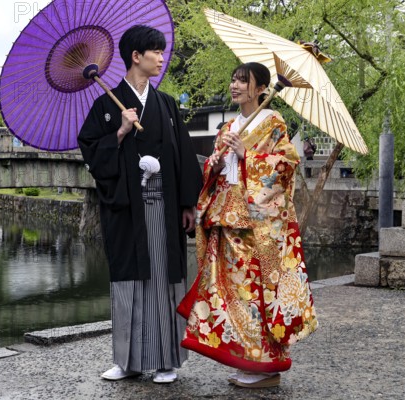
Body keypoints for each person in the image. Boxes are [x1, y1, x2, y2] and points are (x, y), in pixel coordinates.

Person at [177, 62, 318, 388]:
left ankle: (265, 366)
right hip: (225, 218)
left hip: (255, 226)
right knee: (230, 295)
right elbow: (213, 171)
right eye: (233, 79)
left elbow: (285, 167)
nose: (235, 85)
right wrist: (218, 158)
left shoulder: (273, 123)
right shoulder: (229, 125)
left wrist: (248, 157)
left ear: (260, 90)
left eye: (243, 81)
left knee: (254, 296)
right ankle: (247, 360)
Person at [78, 25, 202, 384]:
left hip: (163, 209)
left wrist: (186, 204)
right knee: (129, 281)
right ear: (136, 56)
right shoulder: (106, 104)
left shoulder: (164, 104)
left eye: (162, 52)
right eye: (156, 52)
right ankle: (127, 361)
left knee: (164, 279)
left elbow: (182, 156)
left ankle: (166, 361)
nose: (162, 58)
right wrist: (118, 131)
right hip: (127, 209)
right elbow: (90, 151)